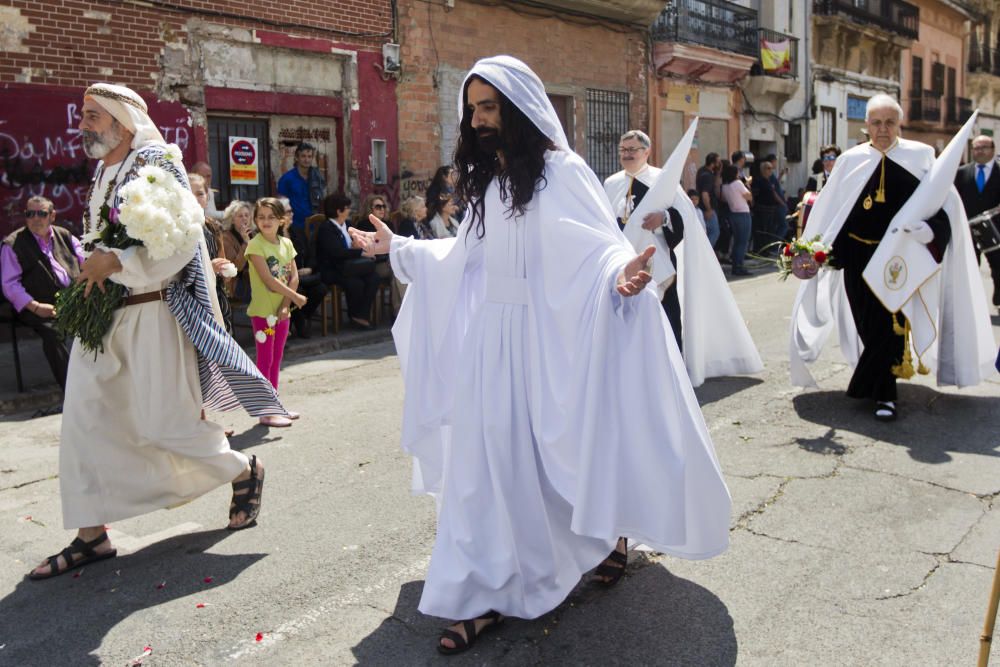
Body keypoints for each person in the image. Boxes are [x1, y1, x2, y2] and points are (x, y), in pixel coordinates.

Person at [350, 55, 730, 655]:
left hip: (551, 337)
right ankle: (482, 592)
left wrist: (621, 276)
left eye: (488, 107)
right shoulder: (494, 182)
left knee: (564, 448)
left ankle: (604, 534)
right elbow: (464, 259)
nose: (477, 120)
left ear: (520, 109)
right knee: (487, 463)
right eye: (471, 109)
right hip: (492, 344)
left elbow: (600, 249)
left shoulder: (565, 171)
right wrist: (396, 247)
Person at [28, 83, 287, 580]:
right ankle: (91, 535)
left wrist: (117, 259)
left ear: (122, 121)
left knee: (167, 424)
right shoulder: (104, 172)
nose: (82, 124)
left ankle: (243, 470)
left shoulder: (156, 166)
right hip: (103, 319)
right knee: (85, 421)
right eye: (83, 115)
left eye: (92, 116)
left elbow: (178, 246)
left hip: (153, 315)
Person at [789, 93, 995, 421]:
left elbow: (943, 205)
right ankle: (874, 383)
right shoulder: (850, 161)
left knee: (890, 326)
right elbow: (834, 213)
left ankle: (884, 395)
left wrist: (929, 232)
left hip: (898, 260)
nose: (883, 129)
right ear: (866, 125)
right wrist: (815, 252)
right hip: (857, 256)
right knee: (868, 325)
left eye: (889, 122)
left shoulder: (920, 156)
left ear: (899, 124)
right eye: (876, 123)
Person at [1, 195, 84, 389]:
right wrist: (36, 307)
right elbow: (10, 285)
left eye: (41, 213)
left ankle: (98, 383)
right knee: (54, 333)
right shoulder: (13, 244)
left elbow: (84, 263)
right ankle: (71, 389)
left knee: (100, 322)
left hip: (71, 301)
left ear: (52, 216)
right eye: (30, 214)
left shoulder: (65, 236)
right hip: (35, 307)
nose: (36, 218)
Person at [245, 197, 306, 426]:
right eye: (261, 217)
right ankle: (265, 410)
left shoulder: (286, 244)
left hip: (281, 313)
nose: (266, 221)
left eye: (271, 217)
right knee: (265, 358)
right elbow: (269, 280)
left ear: (281, 220)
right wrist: (296, 298)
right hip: (263, 314)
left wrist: (285, 305)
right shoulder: (255, 245)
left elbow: (294, 276)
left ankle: (275, 405)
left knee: (277, 357)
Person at [315, 193, 378, 329]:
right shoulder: (326, 228)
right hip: (333, 268)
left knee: (374, 277)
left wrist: (359, 245)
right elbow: (337, 252)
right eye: (347, 208)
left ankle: (361, 314)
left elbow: (356, 243)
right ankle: (354, 315)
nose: (350, 210)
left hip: (350, 267)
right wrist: (361, 252)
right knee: (355, 283)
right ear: (339, 211)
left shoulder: (348, 225)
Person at [954, 134, 1000, 308]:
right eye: (975, 148)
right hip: (968, 228)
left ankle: (998, 297)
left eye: (983, 147)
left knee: (998, 266)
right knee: (969, 267)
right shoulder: (962, 172)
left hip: (995, 229)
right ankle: (970, 302)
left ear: (992, 150)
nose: (979, 151)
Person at [275, 196, 326, 339]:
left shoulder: (296, 231)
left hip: (303, 274)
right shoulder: (273, 236)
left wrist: (310, 268)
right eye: (287, 212)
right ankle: (301, 322)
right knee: (298, 290)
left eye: (291, 211)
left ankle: (301, 317)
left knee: (320, 289)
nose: (291, 214)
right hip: (285, 278)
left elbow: (310, 253)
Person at [190, 172, 234, 332]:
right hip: (193, 299)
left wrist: (224, 268)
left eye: (200, 194)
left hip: (216, 294)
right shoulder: (178, 230)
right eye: (189, 193)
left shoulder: (213, 227)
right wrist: (209, 268)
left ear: (207, 197)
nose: (194, 198)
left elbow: (224, 270)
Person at [277, 142, 326, 258]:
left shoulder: (317, 177)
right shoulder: (287, 179)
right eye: (303, 156)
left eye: (309, 157)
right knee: (298, 257)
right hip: (295, 225)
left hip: (314, 224)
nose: (306, 160)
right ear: (297, 157)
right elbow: (281, 204)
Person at [603, 130, 659, 231]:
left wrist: (663, 217)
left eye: (632, 149)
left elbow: (682, 213)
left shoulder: (661, 178)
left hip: (651, 244)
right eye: (622, 150)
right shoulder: (610, 183)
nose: (626, 154)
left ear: (647, 152)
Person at [720, 163, 753, 276]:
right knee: (743, 242)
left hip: (733, 214)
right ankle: (739, 266)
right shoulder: (738, 183)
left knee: (737, 241)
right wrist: (747, 184)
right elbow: (749, 196)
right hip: (743, 213)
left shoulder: (724, 186)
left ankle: (736, 265)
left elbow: (723, 199)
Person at [221, 200, 253, 301]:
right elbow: (236, 268)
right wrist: (246, 243)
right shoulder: (226, 238)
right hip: (238, 284)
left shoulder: (254, 235)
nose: (244, 218)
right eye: (240, 216)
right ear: (232, 219)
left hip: (255, 279)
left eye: (246, 215)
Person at [696, 152, 721, 247]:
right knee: (715, 232)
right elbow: (705, 194)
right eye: (718, 163)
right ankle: (706, 255)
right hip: (708, 209)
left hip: (702, 208)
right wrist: (709, 209)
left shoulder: (702, 171)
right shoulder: (707, 175)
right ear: (712, 163)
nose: (719, 165)